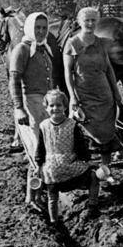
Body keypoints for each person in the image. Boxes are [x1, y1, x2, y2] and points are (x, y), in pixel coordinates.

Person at [63, 7, 123, 167]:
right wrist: (73, 97)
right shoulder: (72, 44)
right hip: (84, 98)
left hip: (105, 97)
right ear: (79, 22)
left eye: (93, 20)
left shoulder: (103, 43)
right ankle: (86, 174)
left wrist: (116, 92)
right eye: (86, 20)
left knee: (107, 137)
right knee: (85, 137)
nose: (90, 23)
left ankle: (106, 172)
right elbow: (68, 74)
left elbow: (109, 69)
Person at [9, 12, 54, 211]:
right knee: (37, 152)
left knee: (47, 150)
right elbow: (14, 81)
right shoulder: (22, 49)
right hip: (31, 104)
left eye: (44, 28)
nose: (41, 31)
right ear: (29, 28)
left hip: (45, 104)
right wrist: (19, 108)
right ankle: (32, 198)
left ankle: (39, 194)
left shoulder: (45, 50)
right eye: (37, 28)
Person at [35, 90, 100, 223]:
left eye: (58, 105)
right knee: (94, 175)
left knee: (52, 196)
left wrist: (38, 166)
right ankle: (92, 206)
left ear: (65, 107)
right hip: (70, 166)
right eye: (52, 105)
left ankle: (54, 220)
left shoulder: (42, 126)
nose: (55, 108)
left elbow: (40, 149)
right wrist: (88, 161)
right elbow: (80, 148)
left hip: (51, 171)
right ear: (46, 108)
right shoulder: (73, 125)